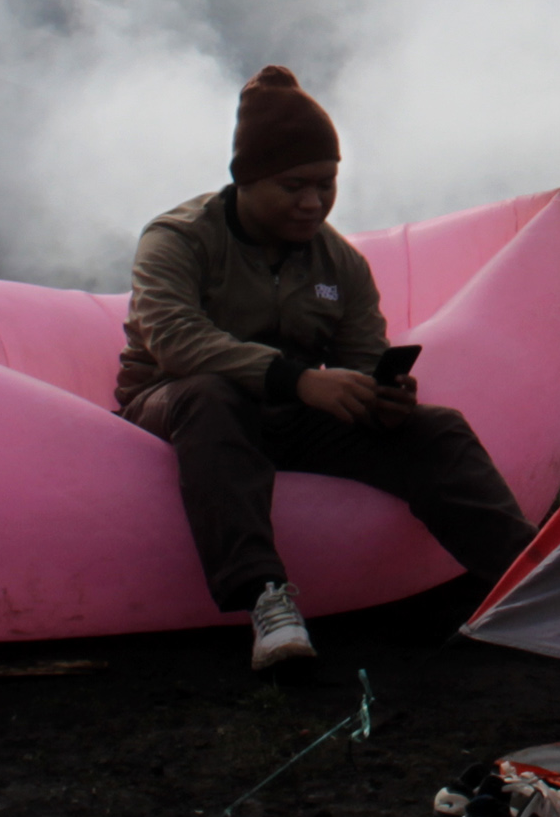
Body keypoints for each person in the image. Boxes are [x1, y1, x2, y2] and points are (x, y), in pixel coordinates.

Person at [119, 64, 533, 671]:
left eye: (326, 184)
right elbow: (175, 341)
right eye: (293, 186)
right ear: (246, 180)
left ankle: (532, 587)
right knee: (212, 396)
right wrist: (299, 380)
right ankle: (267, 602)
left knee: (436, 428)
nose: (313, 202)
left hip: (288, 415)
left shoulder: (340, 263)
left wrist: (382, 399)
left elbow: (361, 356)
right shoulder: (178, 238)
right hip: (173, 408)